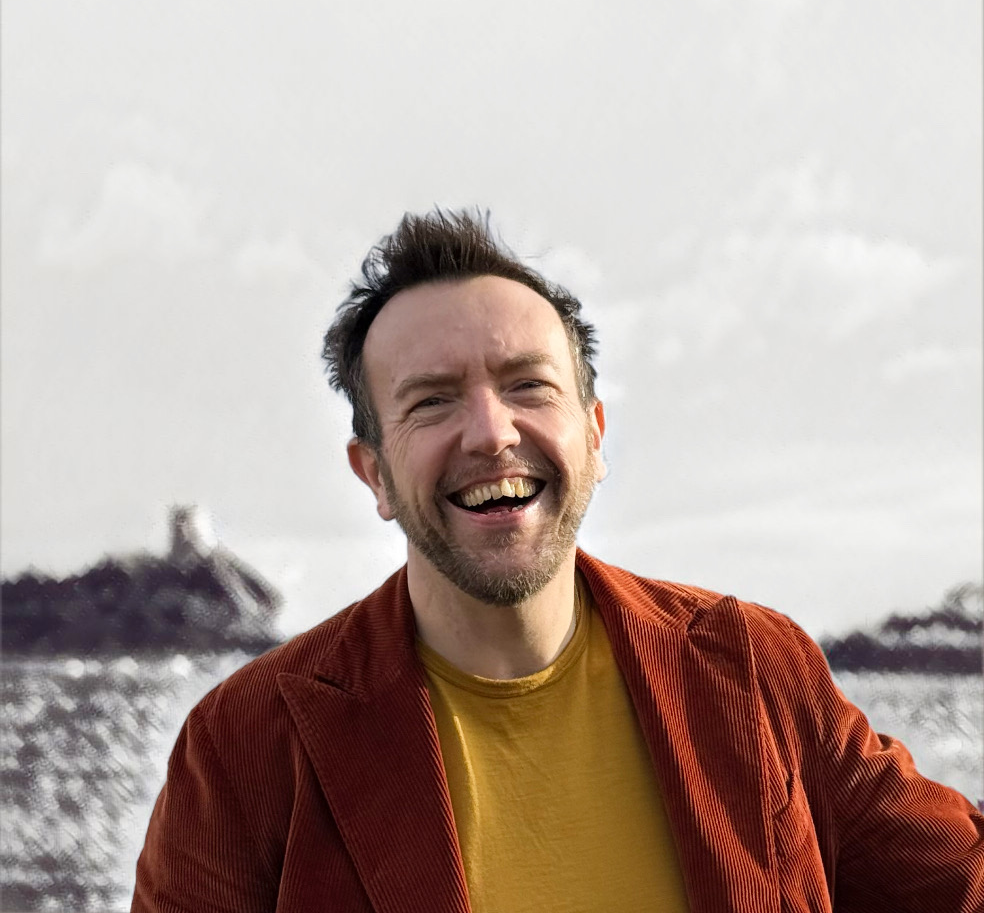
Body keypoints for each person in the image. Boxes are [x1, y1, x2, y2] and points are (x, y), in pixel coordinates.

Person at [132, 210, 983, 912]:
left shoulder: (756, 670)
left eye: (528, 386)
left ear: (595, 434)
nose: (491, 432)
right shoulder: (247, 744)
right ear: (375, 474)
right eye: (432, 402)